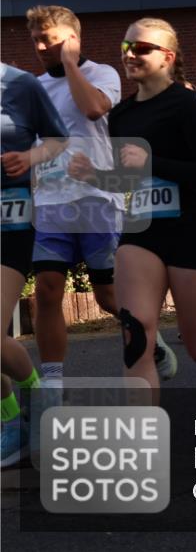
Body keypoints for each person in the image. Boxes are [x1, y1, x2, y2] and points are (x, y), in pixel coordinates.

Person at [67, 18, 196, 408]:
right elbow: (130, 178)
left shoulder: (186, 103)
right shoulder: (121, 115)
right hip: (141, 231)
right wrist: (95, 175)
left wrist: (152, 161)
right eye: (126, 47)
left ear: (167, 57)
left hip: (191, 233)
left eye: (142, 48)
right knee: (136, 337)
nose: (131, 55)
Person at [24, 6, 178, 389]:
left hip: (97, 198)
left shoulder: (102, 74)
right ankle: (54, 383)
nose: (42, 46)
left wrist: (71, 66)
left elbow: (93, 109)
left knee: (109, 296)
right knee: (46, 289)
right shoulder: (35, 87)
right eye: (37, 40)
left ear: (73, 40)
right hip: (51, 202)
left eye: (50, 39)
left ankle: (151, 341)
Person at [1, 63, 69, 467]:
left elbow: (58, 140)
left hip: (10, 221)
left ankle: (40, 398)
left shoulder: (21, 84)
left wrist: (29, 157)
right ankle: (12, 422)